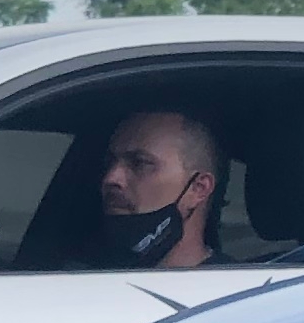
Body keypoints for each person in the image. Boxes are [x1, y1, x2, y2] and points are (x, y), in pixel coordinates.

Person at [85, 108, 224, 270]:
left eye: (140, 163)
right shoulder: (76, 274)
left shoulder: (234, 283)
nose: (111, 178)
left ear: (198, 188)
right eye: (110, 162)